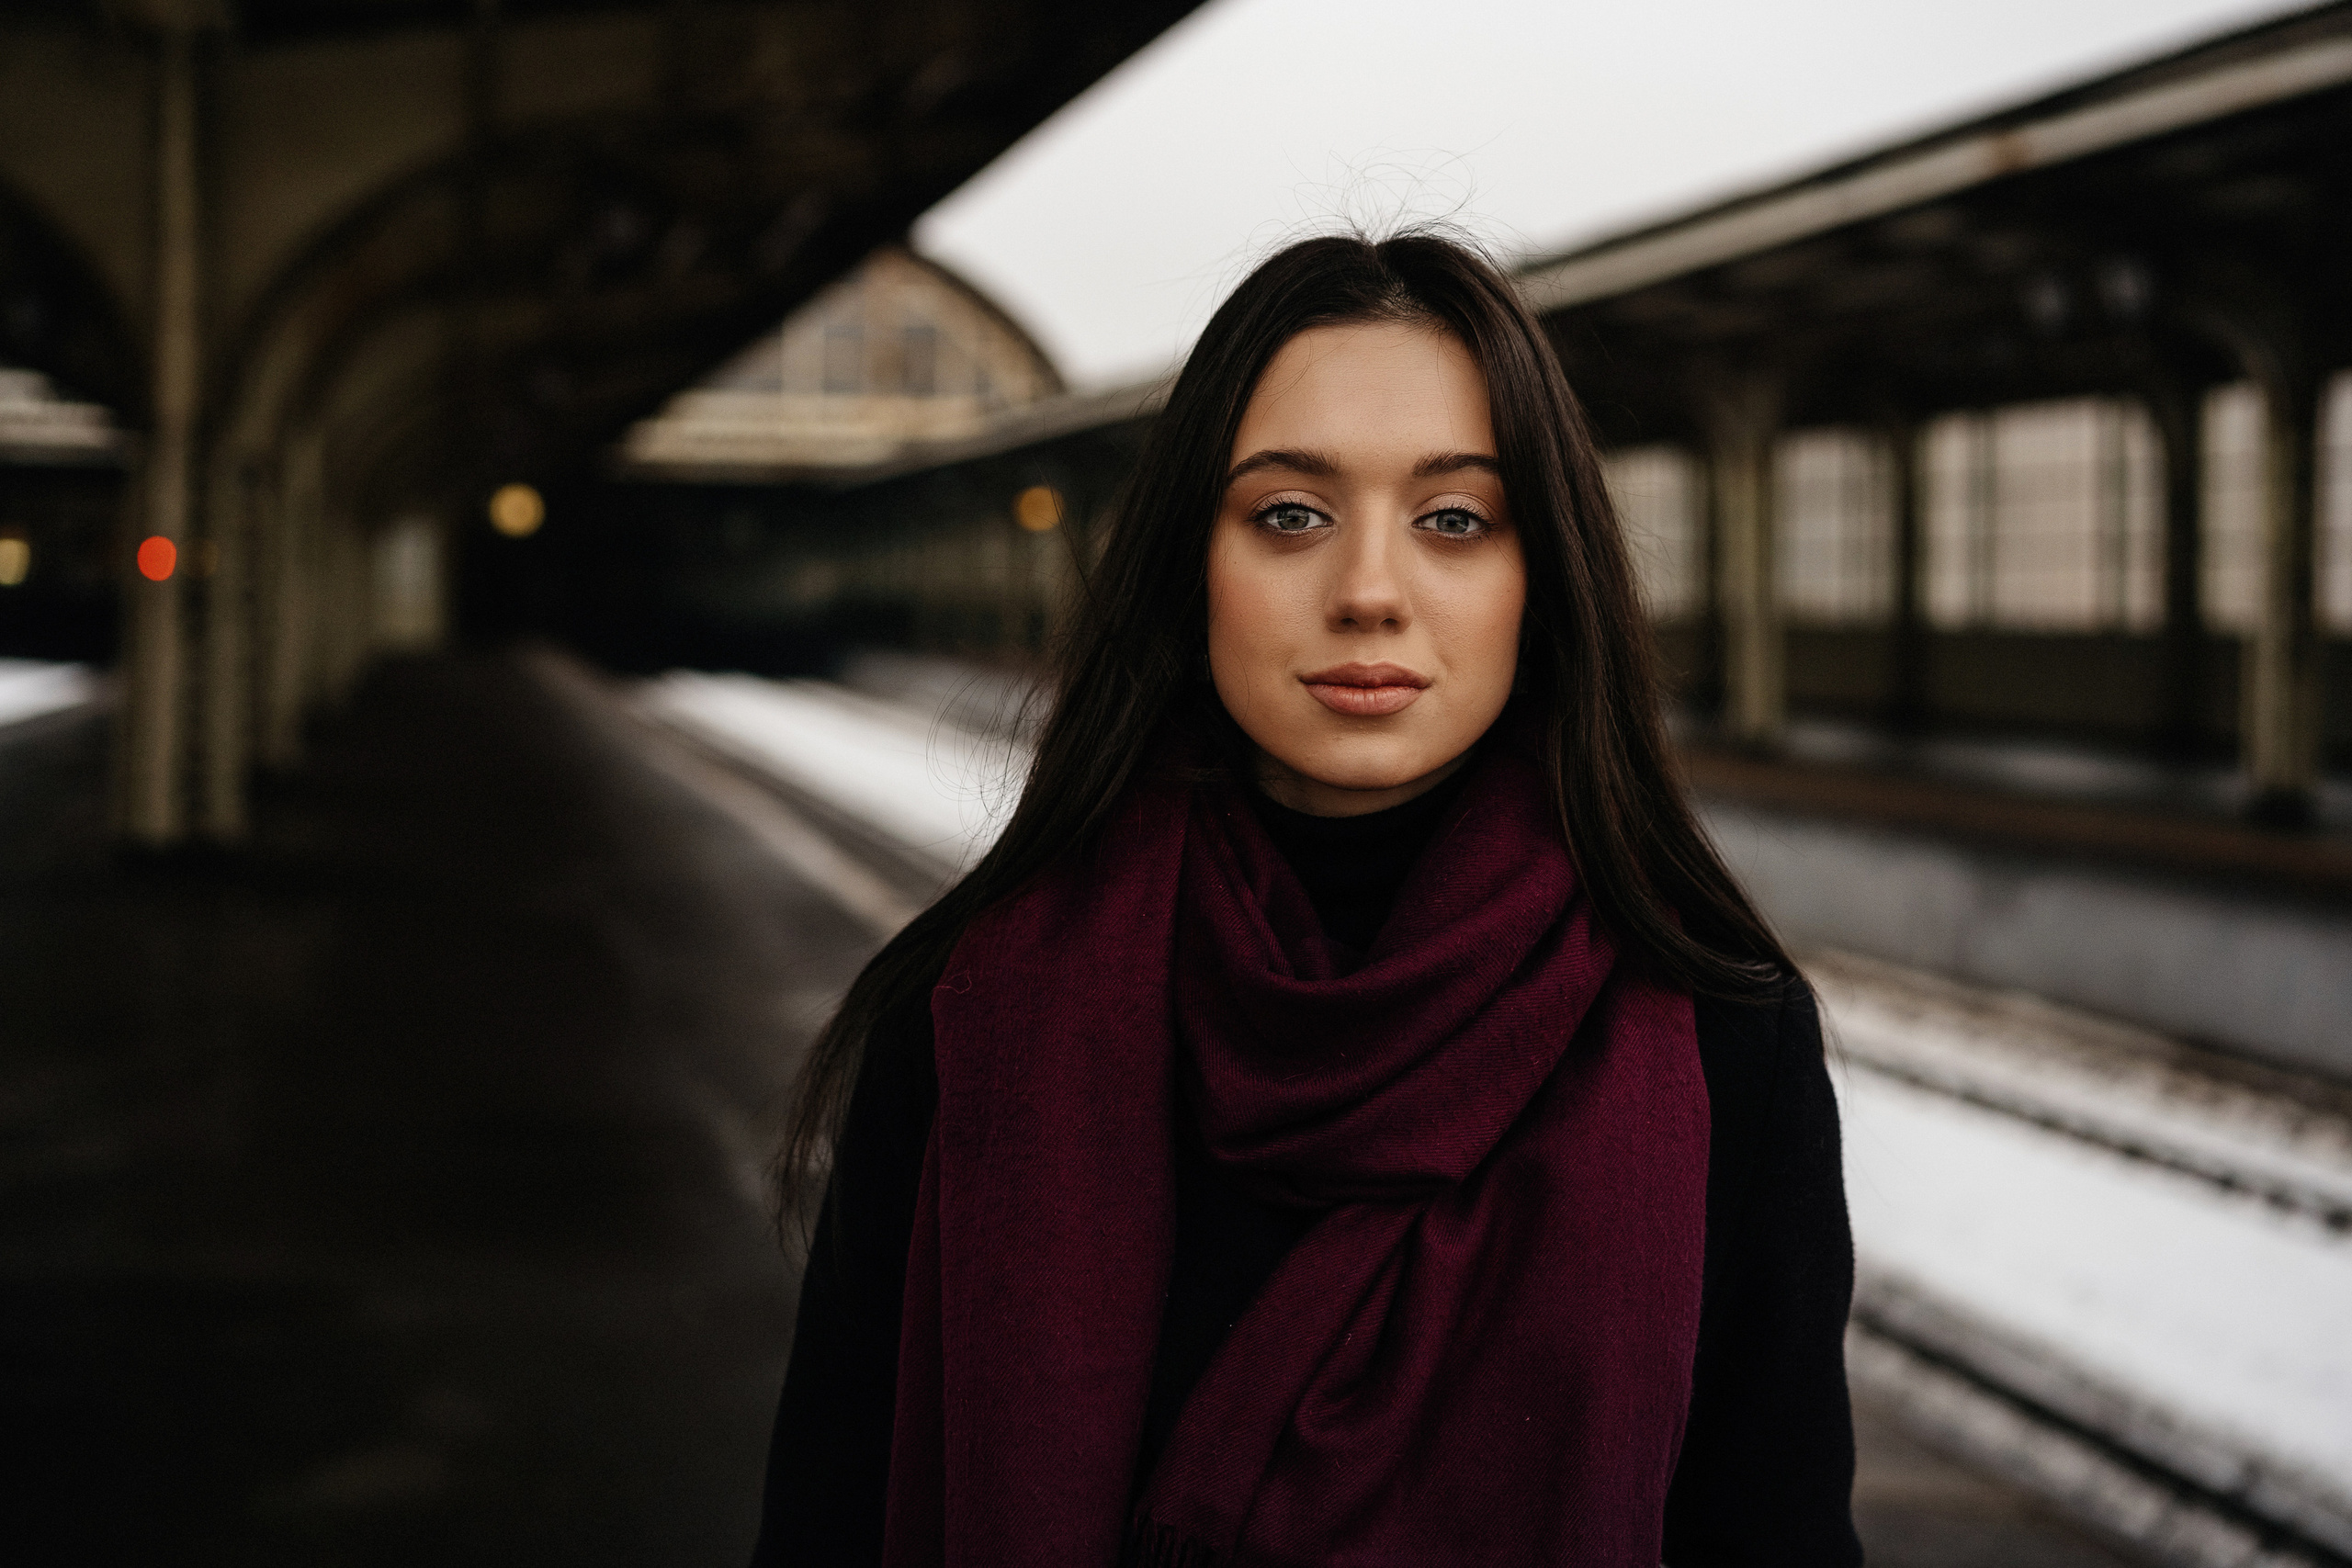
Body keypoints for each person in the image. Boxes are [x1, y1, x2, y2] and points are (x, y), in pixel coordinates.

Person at [749, 231, 1861, 1568]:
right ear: (1189, 566)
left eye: (1455, 519)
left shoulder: (1719, 1033)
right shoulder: (973, 1015)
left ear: (1541, 578)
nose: (1370, 593)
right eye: (1289, 515)